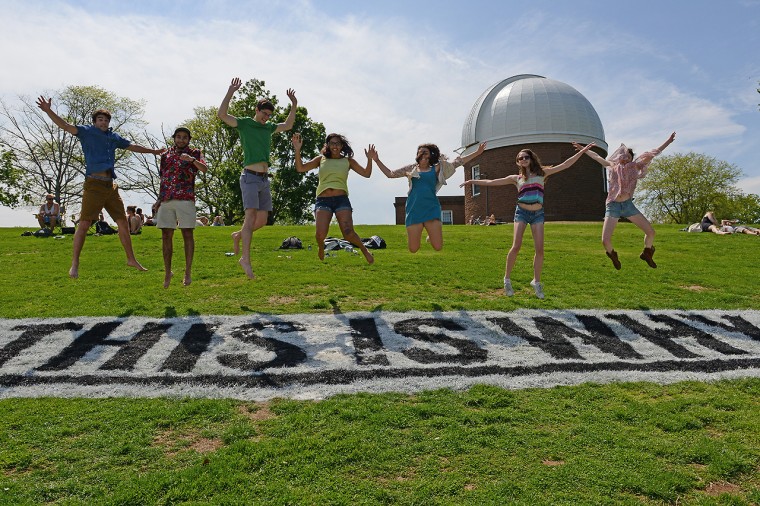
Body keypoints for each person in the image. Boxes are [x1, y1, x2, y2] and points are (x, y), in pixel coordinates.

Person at [36, 97, 165, 278]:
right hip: (94, 185)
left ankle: (131, 259)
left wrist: (153, 152)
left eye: (106, 120)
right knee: (85, 223)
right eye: (100, 120)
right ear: (95, 121)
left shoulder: (113, 137)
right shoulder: (86, 132)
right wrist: (48, 111)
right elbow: (65, 125)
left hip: (110, 186)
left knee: (122, 222)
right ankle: (75, 263)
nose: (103, 122)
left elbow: (132, 146)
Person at [461, 143, 597, 299]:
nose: (523, 159)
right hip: (522, 213)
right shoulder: (516, 178)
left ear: (531, 159)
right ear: (518, 162)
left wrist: (584, 151)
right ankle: (507, 279)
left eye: (526, 157)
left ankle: (536, 282)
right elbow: (492, 182)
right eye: (520, 158)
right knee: (516, 245)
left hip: (538, 213)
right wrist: (472, 182)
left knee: (540, 249)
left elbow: (565, 165)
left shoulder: (543, 173)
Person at [217, 77, 297, 279]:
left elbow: (287, 125)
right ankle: (245, 259)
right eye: (264, 113)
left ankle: (238, 235)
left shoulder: (268, 128)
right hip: (250, 177)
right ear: (257, 110)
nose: (267, 118)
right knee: (250, 216)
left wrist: (294, 105)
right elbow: (222, 114)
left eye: (269, 115)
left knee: (262, 220)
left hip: (263, 179)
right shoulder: (244, 124)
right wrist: (230, 91)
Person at [573, 132, 676, 270]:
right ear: (619, 156)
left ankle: (647, 253)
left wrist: (668, 141)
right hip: (613, 205)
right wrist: (583, 149)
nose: (626, 155)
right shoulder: (612, 166)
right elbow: (597, 157)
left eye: (629, 155)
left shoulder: (635, 166)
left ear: (631, 158)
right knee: (605, 240)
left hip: (628, 206)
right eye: (624, 153)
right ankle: (612, 255)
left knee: (651, 233)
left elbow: (654, 152)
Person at [371, 142, 486, 252]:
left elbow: (458, 161)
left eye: (425, 152)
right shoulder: (411, 169)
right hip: (414, 210)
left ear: (431, 155)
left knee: (438, 247)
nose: (422, 154)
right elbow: (390, 174)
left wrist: (477, 152)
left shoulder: (437, 168)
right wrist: (377, 160)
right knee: (413, 249)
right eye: (420, 152)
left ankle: (430, 236)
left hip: (431, 209)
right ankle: (422, 230)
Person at [292, 132, 376, 264]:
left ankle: (364, 250)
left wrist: (370, 159)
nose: (335, 146)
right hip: (323, 200)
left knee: (348, 233)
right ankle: (321, 247)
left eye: (337, 143)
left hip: (341, 199)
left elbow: (366, 174)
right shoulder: (321, 159)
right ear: (328, 145)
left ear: (342, 146)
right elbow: (300, 168)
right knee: (320, 234)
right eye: (332, 143)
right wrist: (297, 150)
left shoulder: (348, 161)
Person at [155, 126, 208, 288]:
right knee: (166, 235)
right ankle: (167, 272)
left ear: (189, 139)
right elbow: (163, 178)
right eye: (178, 137)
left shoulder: (195, 153)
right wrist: (158, 199)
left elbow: (204, 169)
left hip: (186, 198)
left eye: (185, 137)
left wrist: (192, 160)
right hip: (166, 199)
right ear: (174, 138)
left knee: (187, 234)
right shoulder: (165, 155)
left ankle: (188, 272)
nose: (181, 139)